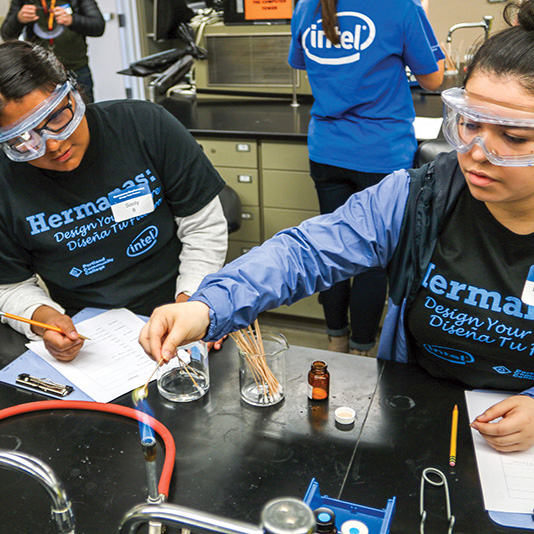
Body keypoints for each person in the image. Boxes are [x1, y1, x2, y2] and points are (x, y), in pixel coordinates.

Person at [140, 0, 534, 452]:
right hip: (418, 402)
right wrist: (208, 306)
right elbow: (305, 252)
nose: (478, 153)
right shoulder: (421, 196)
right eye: (468, 124)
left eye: (514, 137)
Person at [0, 40, 228, 361]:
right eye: (24, 139)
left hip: (182, 300)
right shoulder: (5, 183)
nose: (51, 145)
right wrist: (44, 319)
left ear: (74, 93)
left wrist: (193, 305)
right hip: (90, 337)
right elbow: (9, 286)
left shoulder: (145, 127)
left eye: (55, 118)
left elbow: (203, 228)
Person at [287, 0, 445, 356]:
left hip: (327, 150)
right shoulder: (400, 8)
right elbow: (433, 79)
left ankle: (335, 340)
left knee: (330, 245)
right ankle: (361, 350)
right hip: (380, 152)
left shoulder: (306, 6)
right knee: (373, 256)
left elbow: (302, 63)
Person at [1, 0, 105, 102]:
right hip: (40, 72)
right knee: (48, 115)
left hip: (76, 69)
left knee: (86, 112)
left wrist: (72, 20)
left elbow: (98, 26)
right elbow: (6, 34)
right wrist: (18, 18)